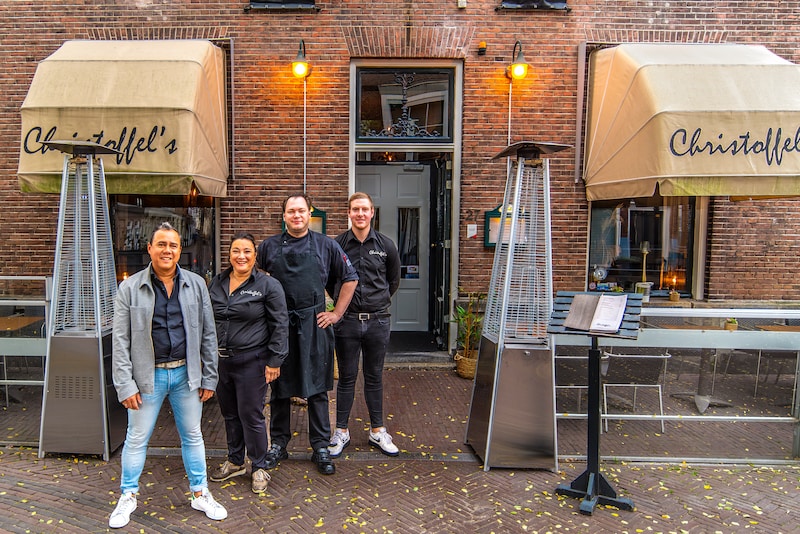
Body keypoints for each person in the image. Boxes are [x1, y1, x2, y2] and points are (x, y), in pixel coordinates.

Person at [109, 222, 226, 529]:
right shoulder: (129, 288)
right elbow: (120, 341)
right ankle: (128, 496)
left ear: (179, 250)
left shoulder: (196, 284)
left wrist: (209, 377)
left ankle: (200, 493)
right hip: (147, 378)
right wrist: (125, 385)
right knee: (136, 439)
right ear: (150, 249)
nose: (167, 250)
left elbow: (208, 334)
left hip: (187, 375)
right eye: (161, 244)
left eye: (173, 245)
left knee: (193, 436)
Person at [256, 193, 358, 475]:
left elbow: (350, 278)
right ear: (284, 216)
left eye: (301, 211)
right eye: (291, 211)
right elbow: (255, 277)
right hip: (280, 325)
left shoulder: (327, 245)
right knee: (278, 386)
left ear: (309, 213)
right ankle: (278, 444)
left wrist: (336, 313)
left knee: (317, 388)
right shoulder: (268, 247)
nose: (296, 215)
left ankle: (320, 447)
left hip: (315, 325)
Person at [208, 232, 289, 493]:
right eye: (236, 251)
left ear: (255, 255)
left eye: (246, 251)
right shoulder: (217, 283)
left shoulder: (268, 285)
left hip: (252, 360)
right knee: (230, 413)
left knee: (251, 414)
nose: (241, 256)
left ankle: (259, 466)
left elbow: (280, 324)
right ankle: (235, 461)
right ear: (229, 254)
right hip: (222, 361)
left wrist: (275, 360)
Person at [329, 192, 401, 458]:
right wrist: (340, 305)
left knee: (374, 376)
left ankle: (377, 431)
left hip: (377, 321)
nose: (360, 214)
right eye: (355, 209)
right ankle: (341, 431)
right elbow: (329, 279)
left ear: (372, 213)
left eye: (364, 209)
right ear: (348, 213)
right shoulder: (337, 245)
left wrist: (376, 302)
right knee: (346, 377)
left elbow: (393, 280)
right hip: (346, 321)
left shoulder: (386, 245)